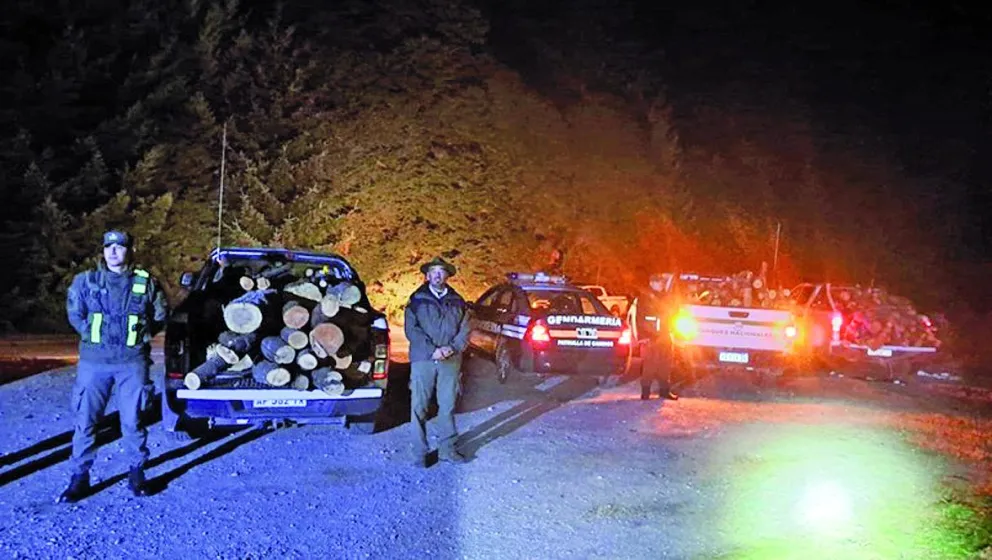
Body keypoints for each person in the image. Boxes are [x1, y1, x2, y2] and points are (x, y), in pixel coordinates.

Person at [58, 230, 169, 503]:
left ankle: (137, 473)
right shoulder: (87, 281)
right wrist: (89, 333)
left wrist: (140, 336)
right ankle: (79, 478)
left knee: (132, 421)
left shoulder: (146, 282)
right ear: (103, 250)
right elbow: (75, 312)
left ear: (129, 250)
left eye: (119, 247)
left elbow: (160, 314)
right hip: (94, 363)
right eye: (109, 246)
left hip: (131, 363)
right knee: (86, 421)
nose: (113, 251)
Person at [404, 256, 471, 467]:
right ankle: (419, 453)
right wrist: (432, 350)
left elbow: (466, 329)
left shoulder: (458, 301)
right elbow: (411, 330)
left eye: (441, 272)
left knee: (448, 405)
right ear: (427, 275)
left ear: (447, 276)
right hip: (423, 359)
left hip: (450, 360)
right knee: (419, 406)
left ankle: (447, 449)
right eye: (433, 271)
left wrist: (453, 348)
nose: (437, 275)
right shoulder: (416, 300)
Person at [634, 273, 679, 401]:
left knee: (665, 363)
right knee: (650, 365)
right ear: (652, 283)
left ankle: (664, 391)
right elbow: (640, 318)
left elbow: (672, 312)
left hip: (665, 335)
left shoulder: (665, 297)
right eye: (659, 282)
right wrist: (643, 335)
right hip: (651, 336)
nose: (662, 285)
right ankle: (645, 392)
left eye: (662, 283)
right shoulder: (644, 298)